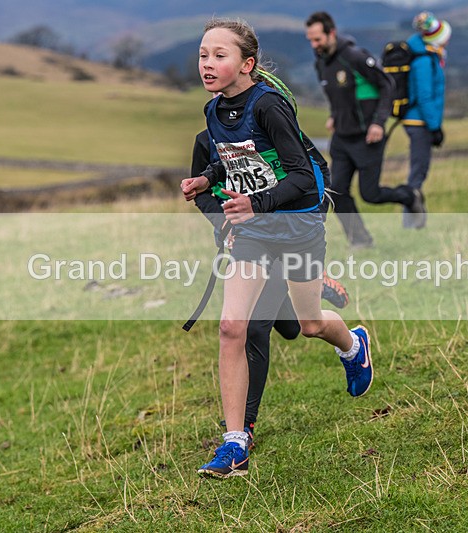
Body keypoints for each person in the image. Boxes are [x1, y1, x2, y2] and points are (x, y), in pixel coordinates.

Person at [182, 18, 373, 479]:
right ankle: (235, 444)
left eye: (219, 55)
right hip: (254, 232)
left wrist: (257, 203)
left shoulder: (269, 107)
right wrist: (206, 179)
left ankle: (352, 345)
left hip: (297, 227)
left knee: (309, 325)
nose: (208, 64)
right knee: (232, 327)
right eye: (204, 54)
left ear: (246, 64)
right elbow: (229, 158)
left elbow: (304, 178)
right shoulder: (213, 110)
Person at [190, 128, 350, 449]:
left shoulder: (272, 123)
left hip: (286, 237)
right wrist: (222, 223)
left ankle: (244, 427)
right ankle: (310, 287)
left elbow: (318, 172)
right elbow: (201, 191)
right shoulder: (207, 140)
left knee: (254, 328)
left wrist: (308, 226)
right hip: (244, 241)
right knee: (291, 329)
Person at [305, 11, 425, 246]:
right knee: (336, 191)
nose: (314, 45)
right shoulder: (320, 63)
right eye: (310, 40)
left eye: (317, 39)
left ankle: (410, 196)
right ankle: (361, 241)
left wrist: (379, 123)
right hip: (341, 137)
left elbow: (387, 84)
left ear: (331, 33)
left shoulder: (354, 56)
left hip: (368, 136)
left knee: (371, 194)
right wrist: (335, 115)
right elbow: (339, 94)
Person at [400, 12, 450, 229]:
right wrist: (435, 126)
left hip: (419, 121)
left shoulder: (428, 55)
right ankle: (411, 221)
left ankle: (414, 220)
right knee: (418, 171)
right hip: (418, 122)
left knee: (419, 169)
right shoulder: (423, 60)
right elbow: (424, 95)